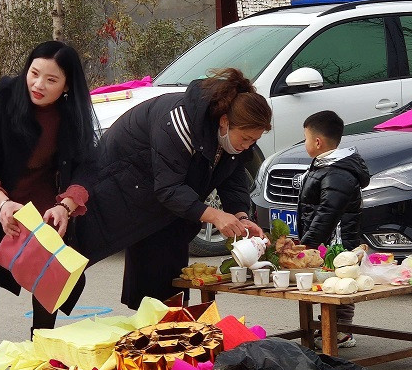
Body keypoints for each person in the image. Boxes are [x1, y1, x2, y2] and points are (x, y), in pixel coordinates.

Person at [82, 68, 271, 309]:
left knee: (173, 247)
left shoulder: (229, 138)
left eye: (253, 141)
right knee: (83, 255)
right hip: (121, 180)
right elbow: (168, 188)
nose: (247, 146)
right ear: (225, 121)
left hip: (162, 193)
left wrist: (240, 216)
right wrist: (215, 215)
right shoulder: (179, 121)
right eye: (245, 138)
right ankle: (151, 325)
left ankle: (170, 320)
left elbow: (232, 180)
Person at [0, 41, 98, 363]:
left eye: (51, 80)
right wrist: (1, 202)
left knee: (47, 270)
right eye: (34, 74)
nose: (38, 85)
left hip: (42, 197)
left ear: (67, 86)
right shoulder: (3, 98)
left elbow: (89, 166)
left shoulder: (72, 112)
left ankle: (40, 356)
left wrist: (66, 204)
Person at [296, 110, 371, 348]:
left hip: (337, 242)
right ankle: (329, 328)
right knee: (329, 284)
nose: (305, 143)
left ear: (317, 142)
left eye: (306, 138)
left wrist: (307, 243)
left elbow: (328, 213)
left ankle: (341, 331)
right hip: (327, 240)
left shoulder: (337, 172)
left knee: (342, 283)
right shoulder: (325, 166)